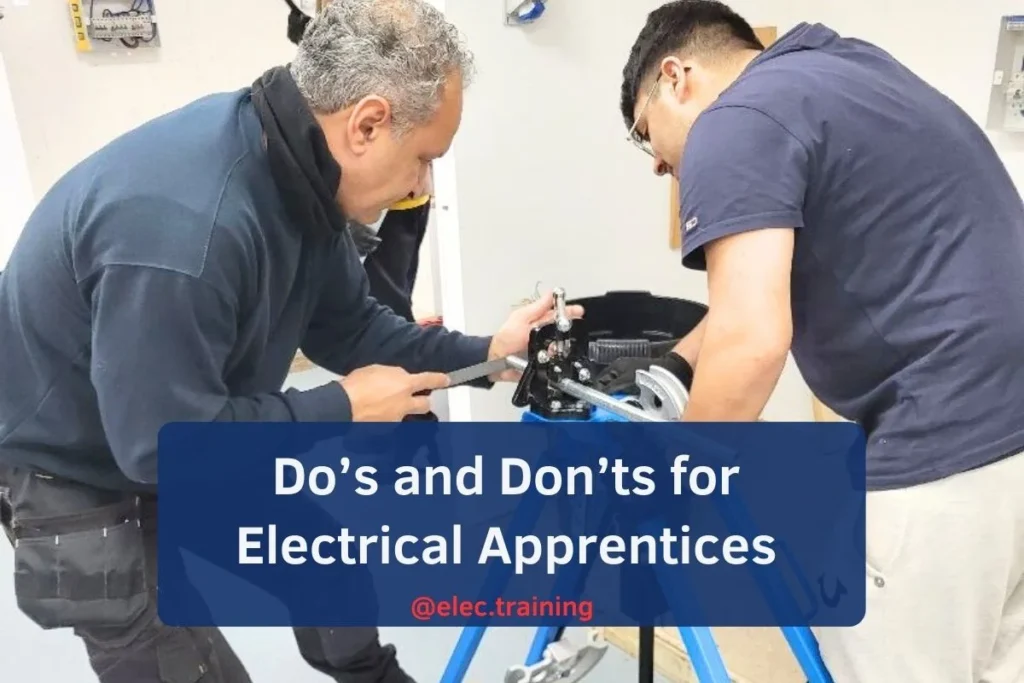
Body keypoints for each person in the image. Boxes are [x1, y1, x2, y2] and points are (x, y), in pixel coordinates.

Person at [0, 1, 581, 682]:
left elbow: (354, 328)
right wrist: (342, 406)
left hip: (177, 417)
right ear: (366, 124)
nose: (421, 185)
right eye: (424, 160)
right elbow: (161, 450)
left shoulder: (300, 180)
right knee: (177, 660)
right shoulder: (184, 229)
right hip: (71, 465)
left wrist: (493, 353)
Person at [613, 1, 1024, 681]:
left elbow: (751, 338)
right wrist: (677, 362)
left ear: (675, 76)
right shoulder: (851, 71)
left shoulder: (732, 122)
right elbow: (776, 280)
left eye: (644, 132)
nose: (658, 163)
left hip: (939, 453)